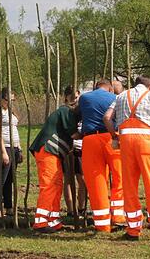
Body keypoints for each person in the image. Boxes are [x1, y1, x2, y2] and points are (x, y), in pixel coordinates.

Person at [104, 75, 150, 242]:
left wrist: (114, 137)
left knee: (129, 186)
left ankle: (133, 230)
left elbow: (106, 117)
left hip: (126, 144)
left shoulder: (120, 96)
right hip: (146, 143)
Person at [78, 79, 124, 233]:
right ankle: (118, 217)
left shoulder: (84, 98)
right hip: (112, 138)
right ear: (110, 88)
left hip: (90, 140)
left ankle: (102, 224)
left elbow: (77, 114)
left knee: (96, 180)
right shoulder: (116, 98)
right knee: (119, 177)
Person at [30, 101, 79, 233]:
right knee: (49, 185)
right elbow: (74, 134)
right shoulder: (66, 112)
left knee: (56, 185)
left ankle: (53, 220)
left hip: (53, 153)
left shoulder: (69, 114)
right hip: (47, 150)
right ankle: (41, 222)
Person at [0, 87, 22, 218]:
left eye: (13, 100)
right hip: (3, 147)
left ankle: (8, 207)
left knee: (10, 180)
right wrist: (3, 151)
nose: (11, 102)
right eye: (9, 100)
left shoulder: (9, 111)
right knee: (1, 179)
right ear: (2, 98)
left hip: (13, 147)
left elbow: (14, 130)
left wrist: (19, 148)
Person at [62, 87, 86, 219]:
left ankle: (81, 208)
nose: (74, 100)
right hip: (69, 149)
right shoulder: (65, 111)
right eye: (72, 97)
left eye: (76, 97)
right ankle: (70, 210)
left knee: (82, 179)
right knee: (68, 180)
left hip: (81, 148)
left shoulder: (83, 110)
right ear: (66, 98)